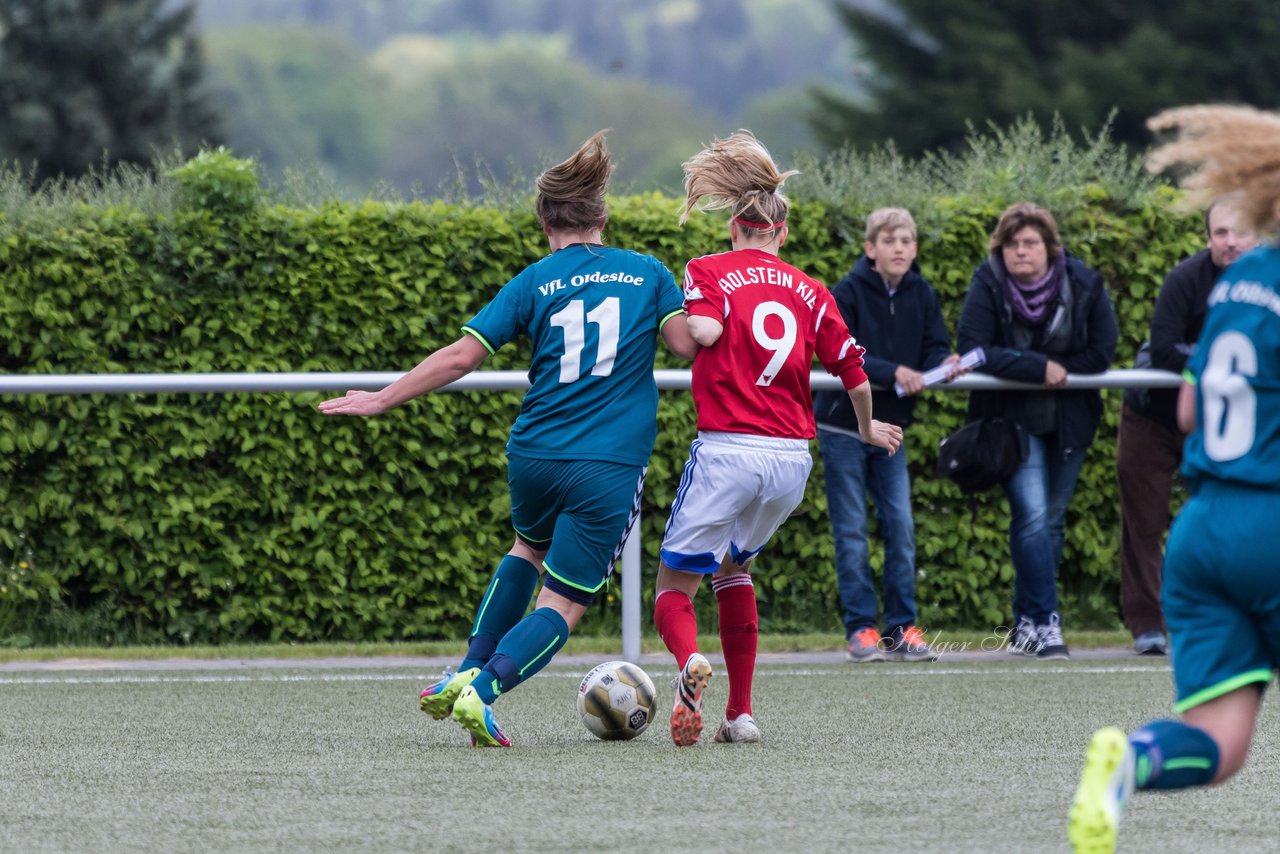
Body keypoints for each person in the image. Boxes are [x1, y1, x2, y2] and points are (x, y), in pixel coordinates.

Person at [318, 132, 698, 747]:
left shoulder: (533, 282)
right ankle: (483, 691)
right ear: (602, 216)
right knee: (564, 604)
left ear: (544, 221)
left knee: (527, 549)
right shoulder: (649, 273)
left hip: (534, 454)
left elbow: (462, 356)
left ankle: (462, 672)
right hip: (607, 464)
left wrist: (383, 397)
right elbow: (686, 345)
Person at [1069, 103, 1280, 854]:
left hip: (1203, 535)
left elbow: (1189, 406)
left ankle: (1129, 762)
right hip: (1272, 524)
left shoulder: (1240, 281)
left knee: (1220, 744)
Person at [653, 131, 903, 746]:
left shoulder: (707, 269)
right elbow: (855, 374)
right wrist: (868, 429)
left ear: (734, 224)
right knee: (735, 570)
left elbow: (705, 334)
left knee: (671, 588)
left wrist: (668, 319)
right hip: (792, 458)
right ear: (781, 234)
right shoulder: (812, 291)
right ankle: (740, 716)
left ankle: (689, 663)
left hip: (728, 448)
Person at [956, 202, 1118, 660]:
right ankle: (1047, 623)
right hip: (1010, 422)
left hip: (1069, 421)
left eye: (1030, 243)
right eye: (1012, 244)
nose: (1021, 252)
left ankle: (1026, 621)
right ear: (1001, 249)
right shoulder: (987, 281)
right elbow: (971, 348)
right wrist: (1036, 367)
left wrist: (1059, 370)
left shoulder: (1084, 282)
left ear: (1049, 247)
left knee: (1050, 522)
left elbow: (1102, 352)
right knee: (1030, 516)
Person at [814, 207, 961, 663]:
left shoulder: (923, 292)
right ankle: (861, 628)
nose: (898, 248)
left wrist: (943, 367)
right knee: (853, 529)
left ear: (915, 249)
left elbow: (935, 347)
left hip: (891, 428)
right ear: (870, 249)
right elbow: (839, 352)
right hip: (842, 426)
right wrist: (894, 370)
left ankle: (902, 629)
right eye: (889, 240)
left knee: (901, 525)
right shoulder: (847, 291)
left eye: (906, 241)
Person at [1116, 198, 1257, 656]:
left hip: (1221, 419)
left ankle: (1229, 619)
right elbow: (1163, 350)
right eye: (1220, 233)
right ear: (1207, 237)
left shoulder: (1266, 282)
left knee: (1230, 520)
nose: (1230, 242)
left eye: (1238, 232)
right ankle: (1147, 626)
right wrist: (1224, 358)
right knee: (1146, 520)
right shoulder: (1184, 279)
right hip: (1153, 417)